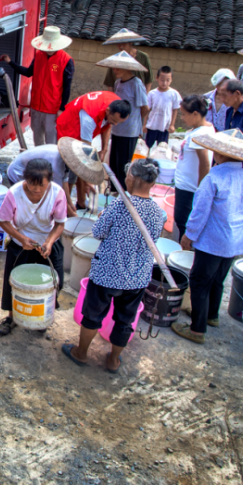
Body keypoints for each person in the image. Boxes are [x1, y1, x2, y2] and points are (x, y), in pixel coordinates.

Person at [61, 159, 166, 373]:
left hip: (108, 273)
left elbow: (98, 232)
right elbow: (152, 239)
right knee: (125, 320)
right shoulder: (158, 212)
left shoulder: (120, 205)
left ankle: (81, 353)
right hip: (137, 277)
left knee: (93, 315)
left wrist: (103, 217)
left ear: (133, 179)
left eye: (127, 175)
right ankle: (114, 360)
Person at [171, 129, 243, 345]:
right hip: (235, 240)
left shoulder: (213, 178)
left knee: (199, 282)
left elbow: (199, 212)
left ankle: (196, 329)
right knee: (217, 281)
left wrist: (188, 235)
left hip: (214, 241)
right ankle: (211, 316)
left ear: (219, 154)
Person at [0, 159, 69, 336]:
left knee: (53, 282)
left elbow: (59, 224)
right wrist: (21, 238)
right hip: (21, 245)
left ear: (50, 180)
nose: (36, 189)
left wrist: (49, 242)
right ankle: (11, 317)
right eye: (32, 184)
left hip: (47, 244)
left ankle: (43, 315)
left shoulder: (57, 193)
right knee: (14, 282)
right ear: (25, 179)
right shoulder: (14, 193)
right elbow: (3, 220)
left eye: (41, 186)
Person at [0, 26, 74, 146]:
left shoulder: (66, 60)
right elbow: (28, 72)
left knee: (51, 141)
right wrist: (10, 62)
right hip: (36, 107)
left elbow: (67, 87)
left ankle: (51, 163)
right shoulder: (39, 55)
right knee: (37, 139)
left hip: (52, 109)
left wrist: (61, 109)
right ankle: (38, 162)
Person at [56, 90, 131, 207]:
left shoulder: (115, 103)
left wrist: (104, 149)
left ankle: (80, 202)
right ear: (107, 111)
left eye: (118, 122)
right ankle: (64, 205)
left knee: (79, 171)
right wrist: (87, 183)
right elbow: (84, 154)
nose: (115, 124)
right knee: (69, 170)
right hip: (69, 130)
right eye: (115, 121)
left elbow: (108, 124)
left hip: (83, 131)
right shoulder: (89, 118)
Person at [98, 51, 149, 192]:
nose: (115, 71)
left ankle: (123, 195)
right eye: (114, 68)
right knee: (114, 164)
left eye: (119, 67)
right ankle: (114, 191)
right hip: (117, 130)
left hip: (129, 132)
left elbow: (145, 108)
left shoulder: (136, 83)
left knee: (124, 167)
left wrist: (137, 125)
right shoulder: (117, 83)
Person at [172, 95, 214, 241]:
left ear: (195, 114)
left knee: (183, 221)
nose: (182, 118)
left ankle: (185, 255)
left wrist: (202, 188)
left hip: (189, 188)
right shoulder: (204, 129)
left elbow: (205, 163)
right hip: (186, 185)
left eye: (184, 114)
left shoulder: (200, 134)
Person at [7, 144, 71, 207]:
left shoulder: (64, 157)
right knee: (33, 201)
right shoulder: (57, 163)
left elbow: (64, 180)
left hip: (31, 169)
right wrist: (71, 213)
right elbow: (56, 193)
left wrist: (70, 203)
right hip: (17, 171)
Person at [144, 66, 181, 150]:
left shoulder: (174, 94)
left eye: (168, 80)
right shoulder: (152, 93)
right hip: (152, 126)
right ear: (157, 78)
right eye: (162, 79)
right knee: (147, 147)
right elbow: (147, 110)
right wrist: (144, 124)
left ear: (171, 79)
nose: (164, 82)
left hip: (164, 126)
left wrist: (172, 125)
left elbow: (175, 110)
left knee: (162, 149)